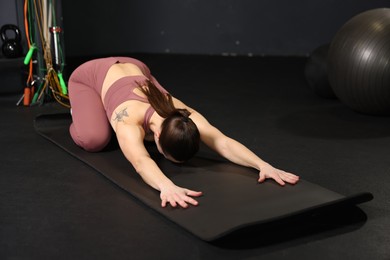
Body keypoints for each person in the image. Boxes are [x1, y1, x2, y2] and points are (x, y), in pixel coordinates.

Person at [68, 57, 300, 209]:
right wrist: (166, 185)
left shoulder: (180, 112)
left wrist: (262, 165)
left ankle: (96, 107)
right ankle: (79, 109)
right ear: (157, 137)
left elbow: (221, 140)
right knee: (95, 139)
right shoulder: (128, 120)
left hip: (136, 67)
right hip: (90, 75)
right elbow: (140, 160)